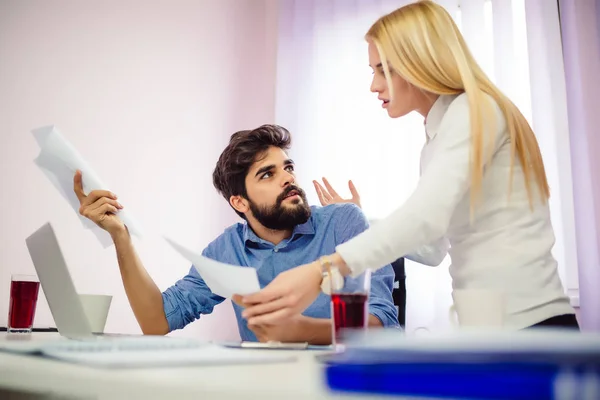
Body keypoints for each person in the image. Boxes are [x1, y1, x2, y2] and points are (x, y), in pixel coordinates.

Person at [239, 1, 578, 330]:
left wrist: (323, 269)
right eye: (373, 71)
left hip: (531, 325)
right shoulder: (436, 140)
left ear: (420, 62)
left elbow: (424, 218)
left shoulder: (475, 111)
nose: (374, 85)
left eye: (384, 70)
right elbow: (431, 248)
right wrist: (359, 218)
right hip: (491, 330)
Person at [74, 124, 398, 344]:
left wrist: (299, 331)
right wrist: (121, 237)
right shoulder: (227, 250)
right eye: (268, 174)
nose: (287, 178)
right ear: (239, 201)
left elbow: (382, 324)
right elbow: (156, 322)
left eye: (288, 167)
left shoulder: (344, 223)